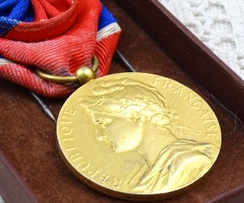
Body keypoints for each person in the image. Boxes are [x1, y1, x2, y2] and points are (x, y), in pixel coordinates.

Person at [80, 77, 219, 194]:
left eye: (103, 123)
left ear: (138, 116)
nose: (99, 136)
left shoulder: (189, 162)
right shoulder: (148, 172)